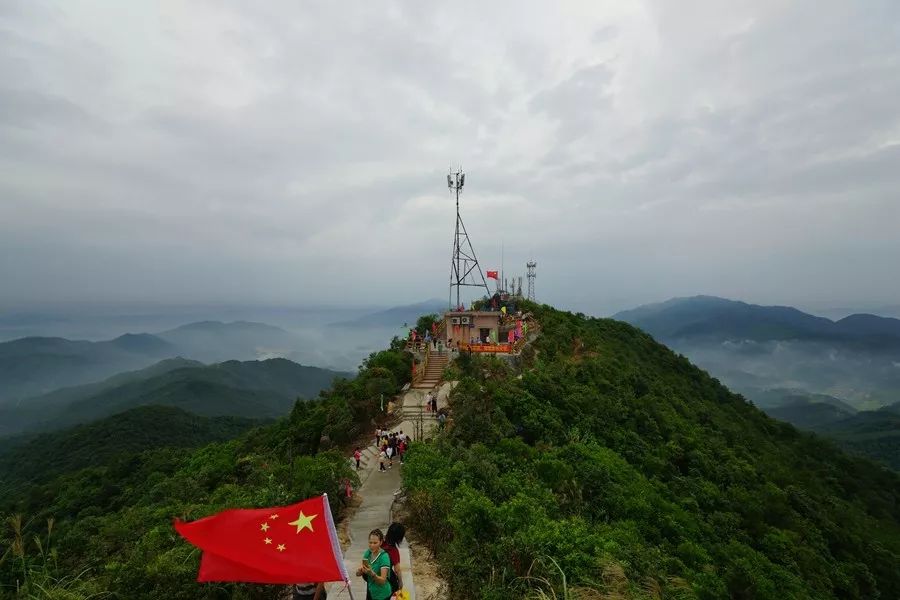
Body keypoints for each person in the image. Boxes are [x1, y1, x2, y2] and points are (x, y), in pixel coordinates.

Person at [356, 529, 392, 600]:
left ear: (381, 542)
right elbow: (359, 573)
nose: (372, 545)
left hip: (382, 594)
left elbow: (382, 581)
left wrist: (372, 574)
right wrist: (359, 571)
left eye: (375, 543)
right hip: (371, 591)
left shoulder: (384, 557)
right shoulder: (368, 553)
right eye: (370, 542)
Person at [382, 522, 406, 591]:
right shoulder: (393, 551)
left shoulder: (379, 541)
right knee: (395, 585)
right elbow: (397, 570)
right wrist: (400, 582)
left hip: (373, 574)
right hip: (385, 577)